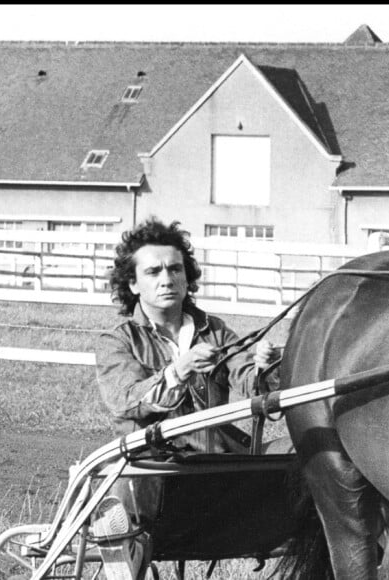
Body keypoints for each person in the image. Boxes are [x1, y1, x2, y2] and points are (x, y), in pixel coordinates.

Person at [92, 218, 282, 580]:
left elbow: (251, 384)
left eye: (175, 269)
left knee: (308, 448)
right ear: (133, 284)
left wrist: (265, 369)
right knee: (133, 472)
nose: (167, 279)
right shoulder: (117, 340)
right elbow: (127, 401)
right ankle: (122, 545)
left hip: (221, 461)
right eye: (154, 272)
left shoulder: (216, 330)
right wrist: (178, 371)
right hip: (157, 465)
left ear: (187, 277)